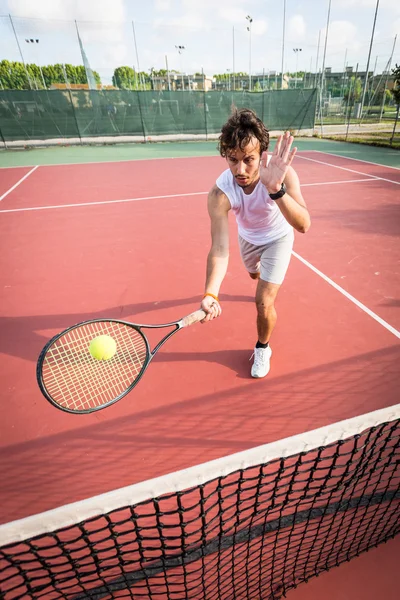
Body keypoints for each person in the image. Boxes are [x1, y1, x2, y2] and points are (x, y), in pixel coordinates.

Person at [200, 108, 311, 378]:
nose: (240, 169)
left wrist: (276, 190)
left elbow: (304, 224)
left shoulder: (283, 174)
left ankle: (263, 347)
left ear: (262, 154)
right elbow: (219, 248)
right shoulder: (220, 192)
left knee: (262, 301)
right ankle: (259, 273)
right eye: (232, 159)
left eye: (249, 160)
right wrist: (210, 293)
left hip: (278, 238)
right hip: (248, 238)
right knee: (253, 274)